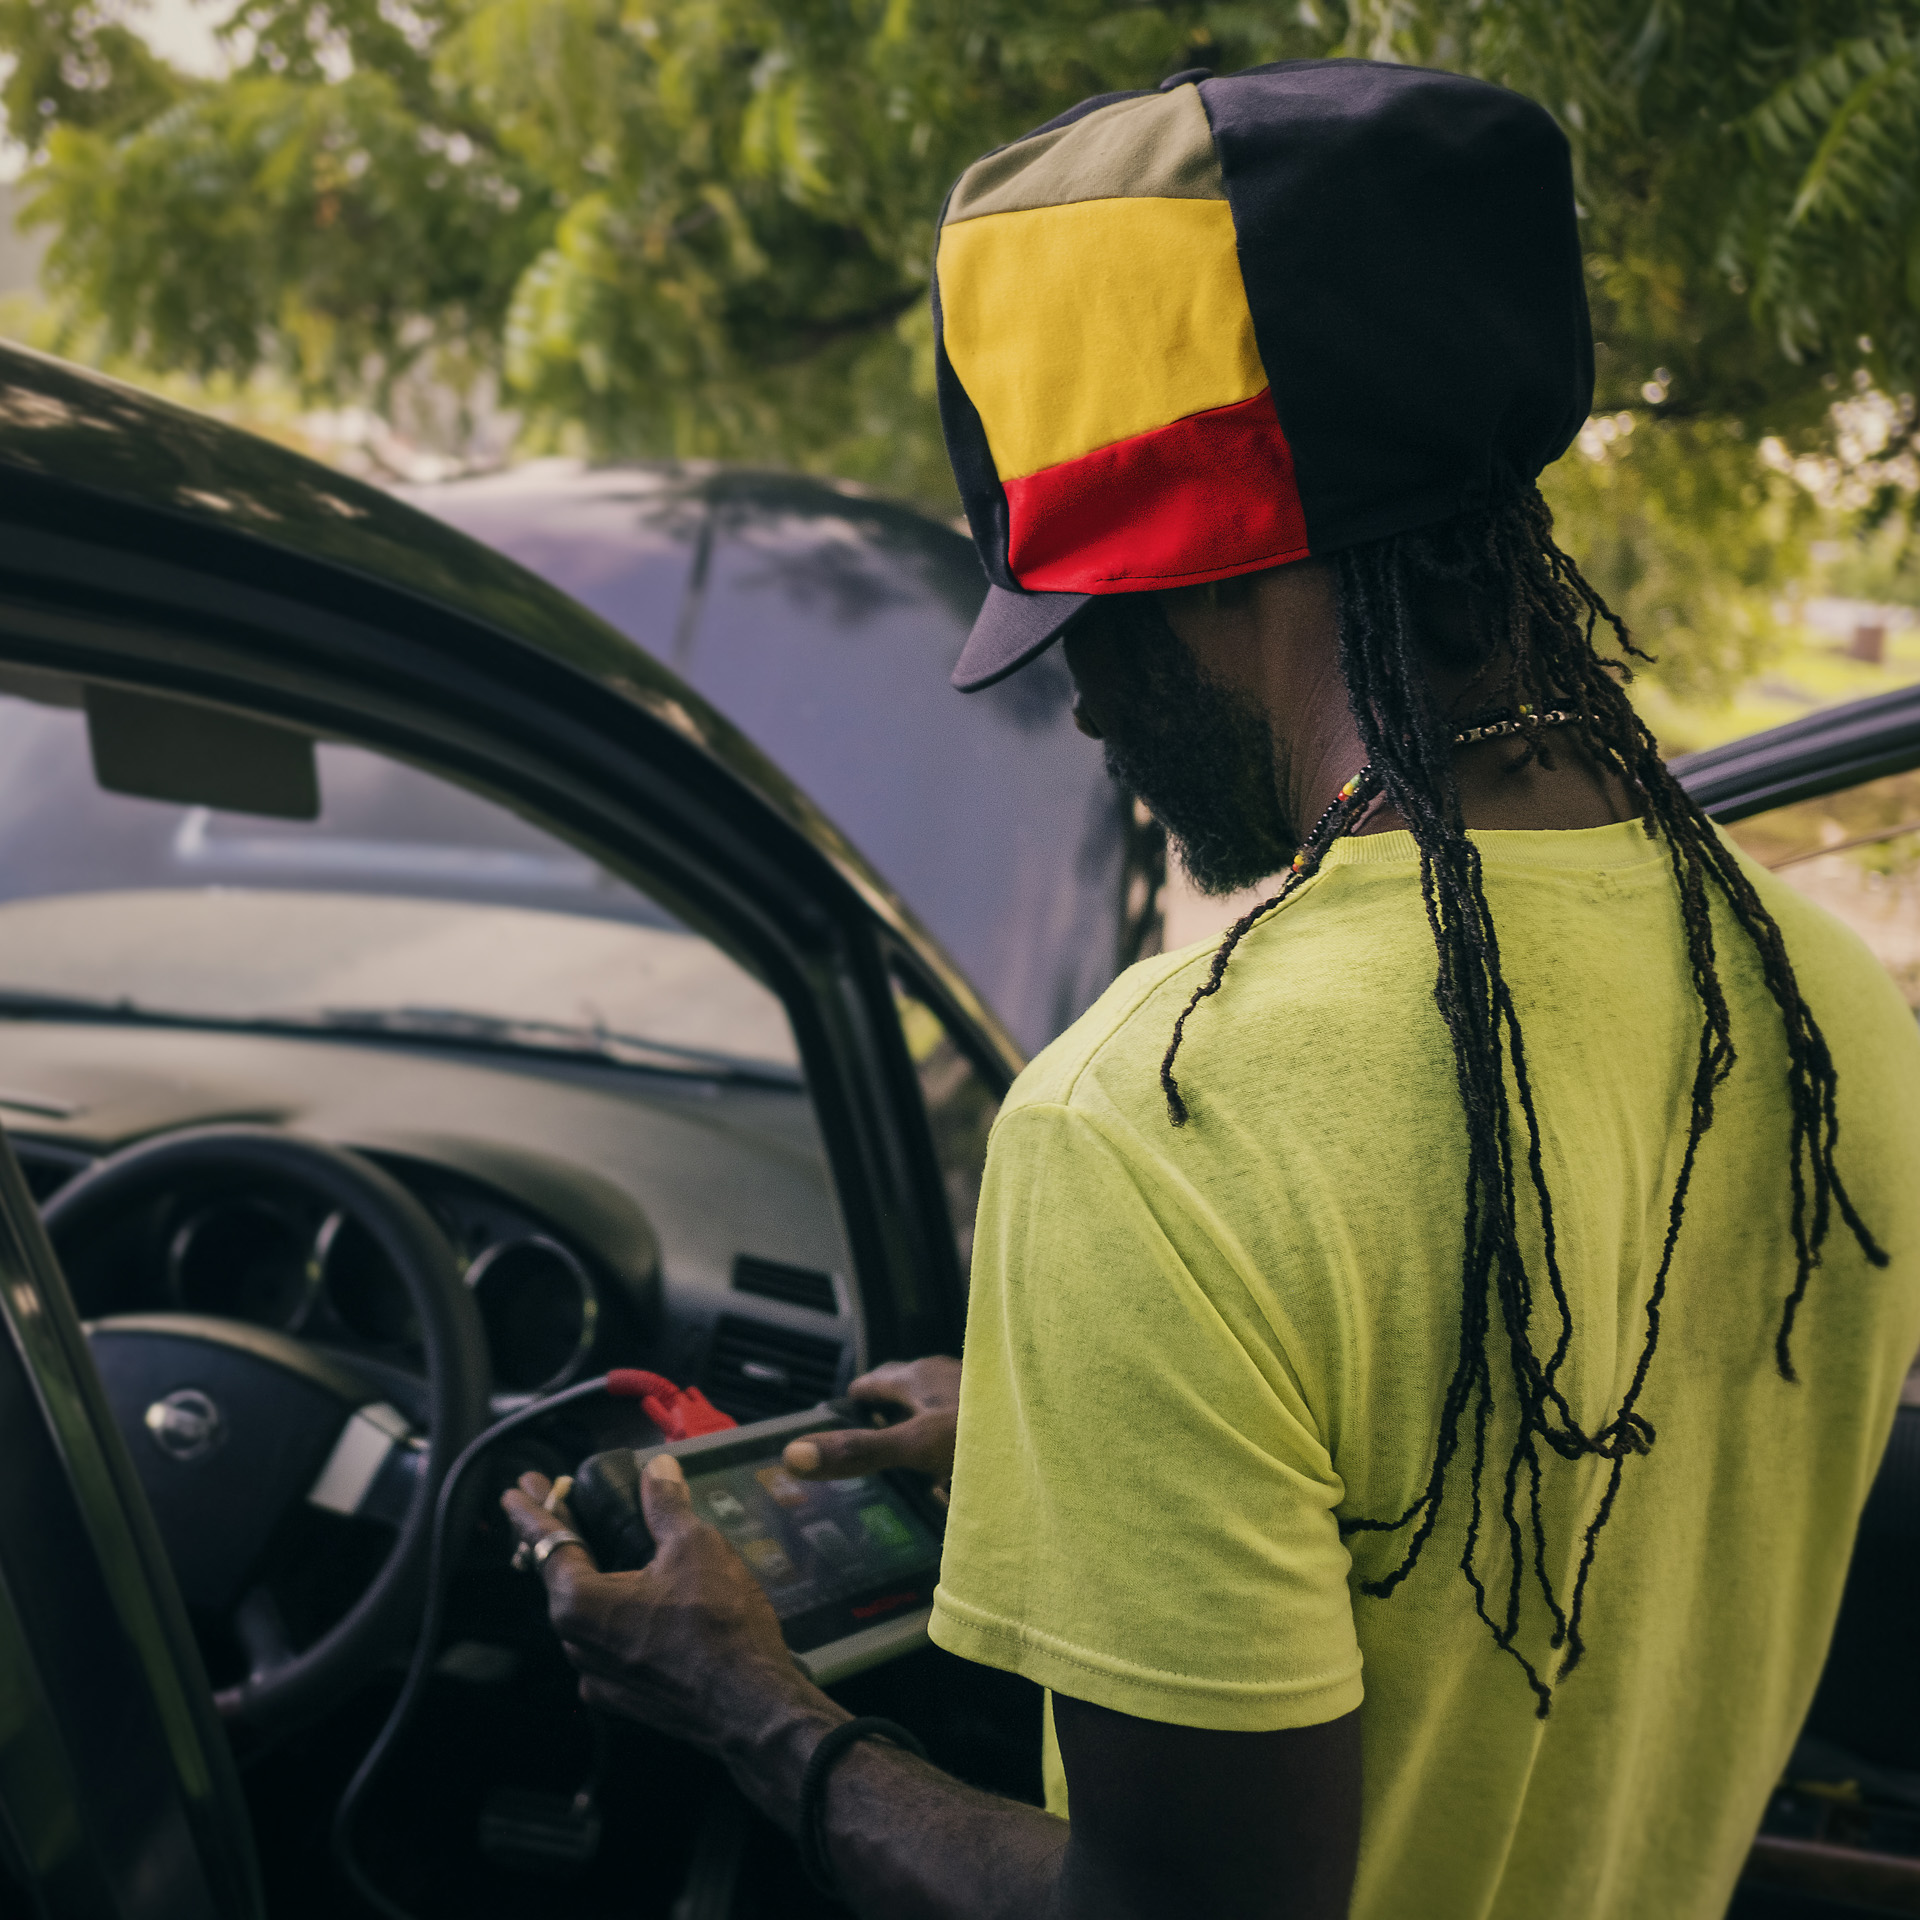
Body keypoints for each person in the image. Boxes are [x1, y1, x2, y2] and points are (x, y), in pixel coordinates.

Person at [504, 58, 1920, 1919]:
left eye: (1075, 622)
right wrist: (1067, 1448)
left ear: (1202, 575)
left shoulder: (1156, 1123)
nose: (1080, 706)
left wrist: (754, 1709)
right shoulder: (1812, 999)